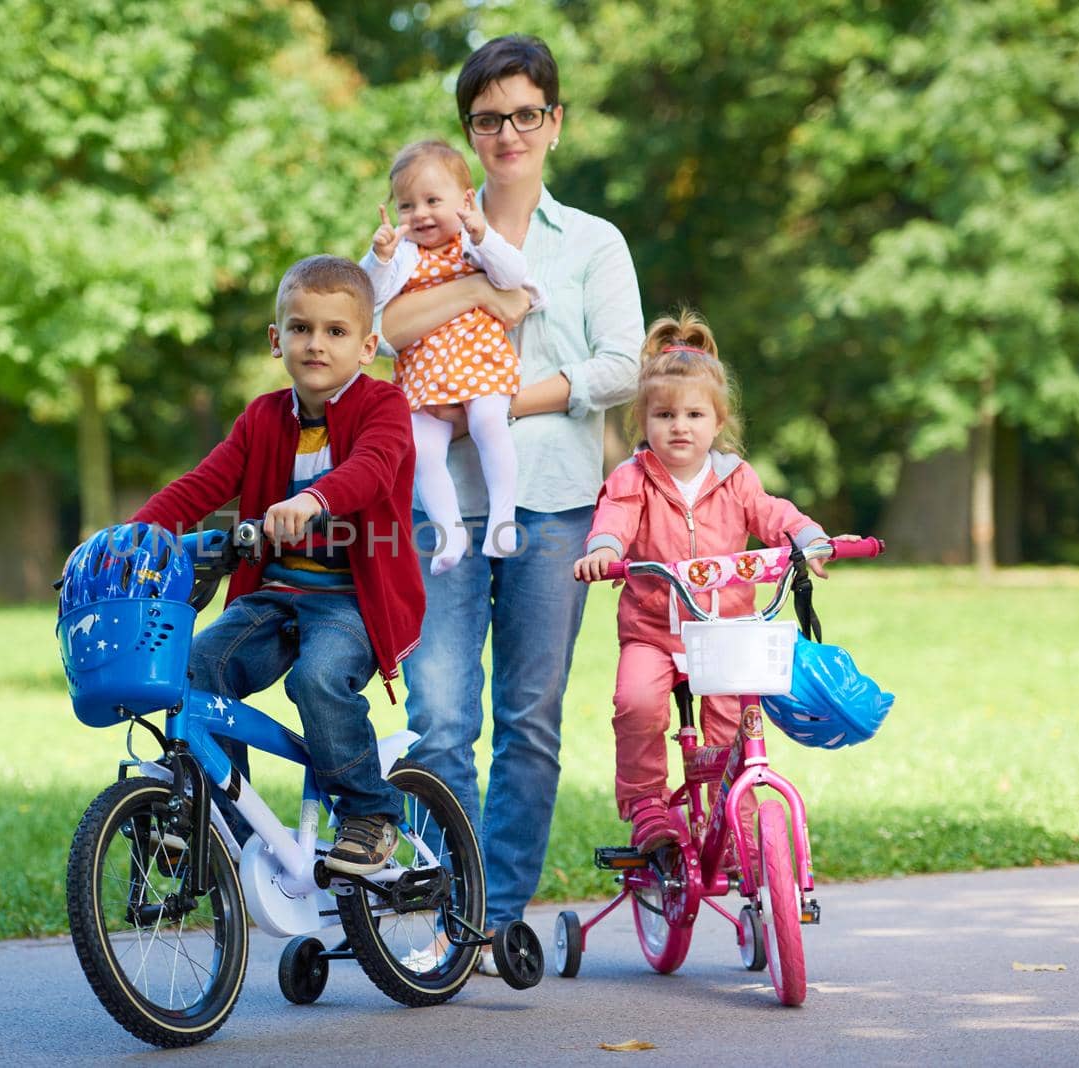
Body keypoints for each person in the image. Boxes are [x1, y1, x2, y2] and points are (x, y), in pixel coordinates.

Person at [378, 34, 645, 961]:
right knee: (440, 717)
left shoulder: (595, 244)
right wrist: (482, 305)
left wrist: (490, 405)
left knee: (529, 722)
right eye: (489, 119)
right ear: (469, 131)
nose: (508, 133)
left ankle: (493, 916)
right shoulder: (428, 219)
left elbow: (621, 366)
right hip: (440, 506)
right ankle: (445, 907)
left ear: (555, 122)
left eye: (525, 114)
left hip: (557, 505)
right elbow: (383, 329)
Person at [130, 255, 425, 876]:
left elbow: (371, 469)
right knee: (196, 664)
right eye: (300, 328)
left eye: (336, 331)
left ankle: (371, 813)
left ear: (369, 345)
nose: (316, 343)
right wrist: (135, 535)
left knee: (317, 679)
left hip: (351, 598)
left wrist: (314, 500)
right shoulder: (262, 417)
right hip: (273, 595)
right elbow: (202, 485)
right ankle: (217, 819)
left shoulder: (385, 407)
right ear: (276, 339)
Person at [573, 310, 854, 851]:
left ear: (717, 423)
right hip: (653, 632)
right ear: (644, 420)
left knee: (735, 723)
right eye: (664, 414)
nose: (680, 426)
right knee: (635, 703)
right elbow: (613, 521)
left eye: (695, 414)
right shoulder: (632, 479)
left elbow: (774, 515)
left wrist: (810, 537)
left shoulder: (735, 479)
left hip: (725, 631)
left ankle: (736, 823)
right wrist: (603, 550)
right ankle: (648, 808)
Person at [361, 140, 542, 575]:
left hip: (480, 361)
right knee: (422, 452)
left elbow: (513, 275)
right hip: (424, 372)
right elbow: (369, 299)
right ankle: (450, 532)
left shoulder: (472, 241)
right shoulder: (403, 255)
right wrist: (378, 258)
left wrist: (482, 234)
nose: (420, 214)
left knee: (488, 424)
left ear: (464, 201)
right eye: (407, 205)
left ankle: (502, 518)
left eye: (431, 201)